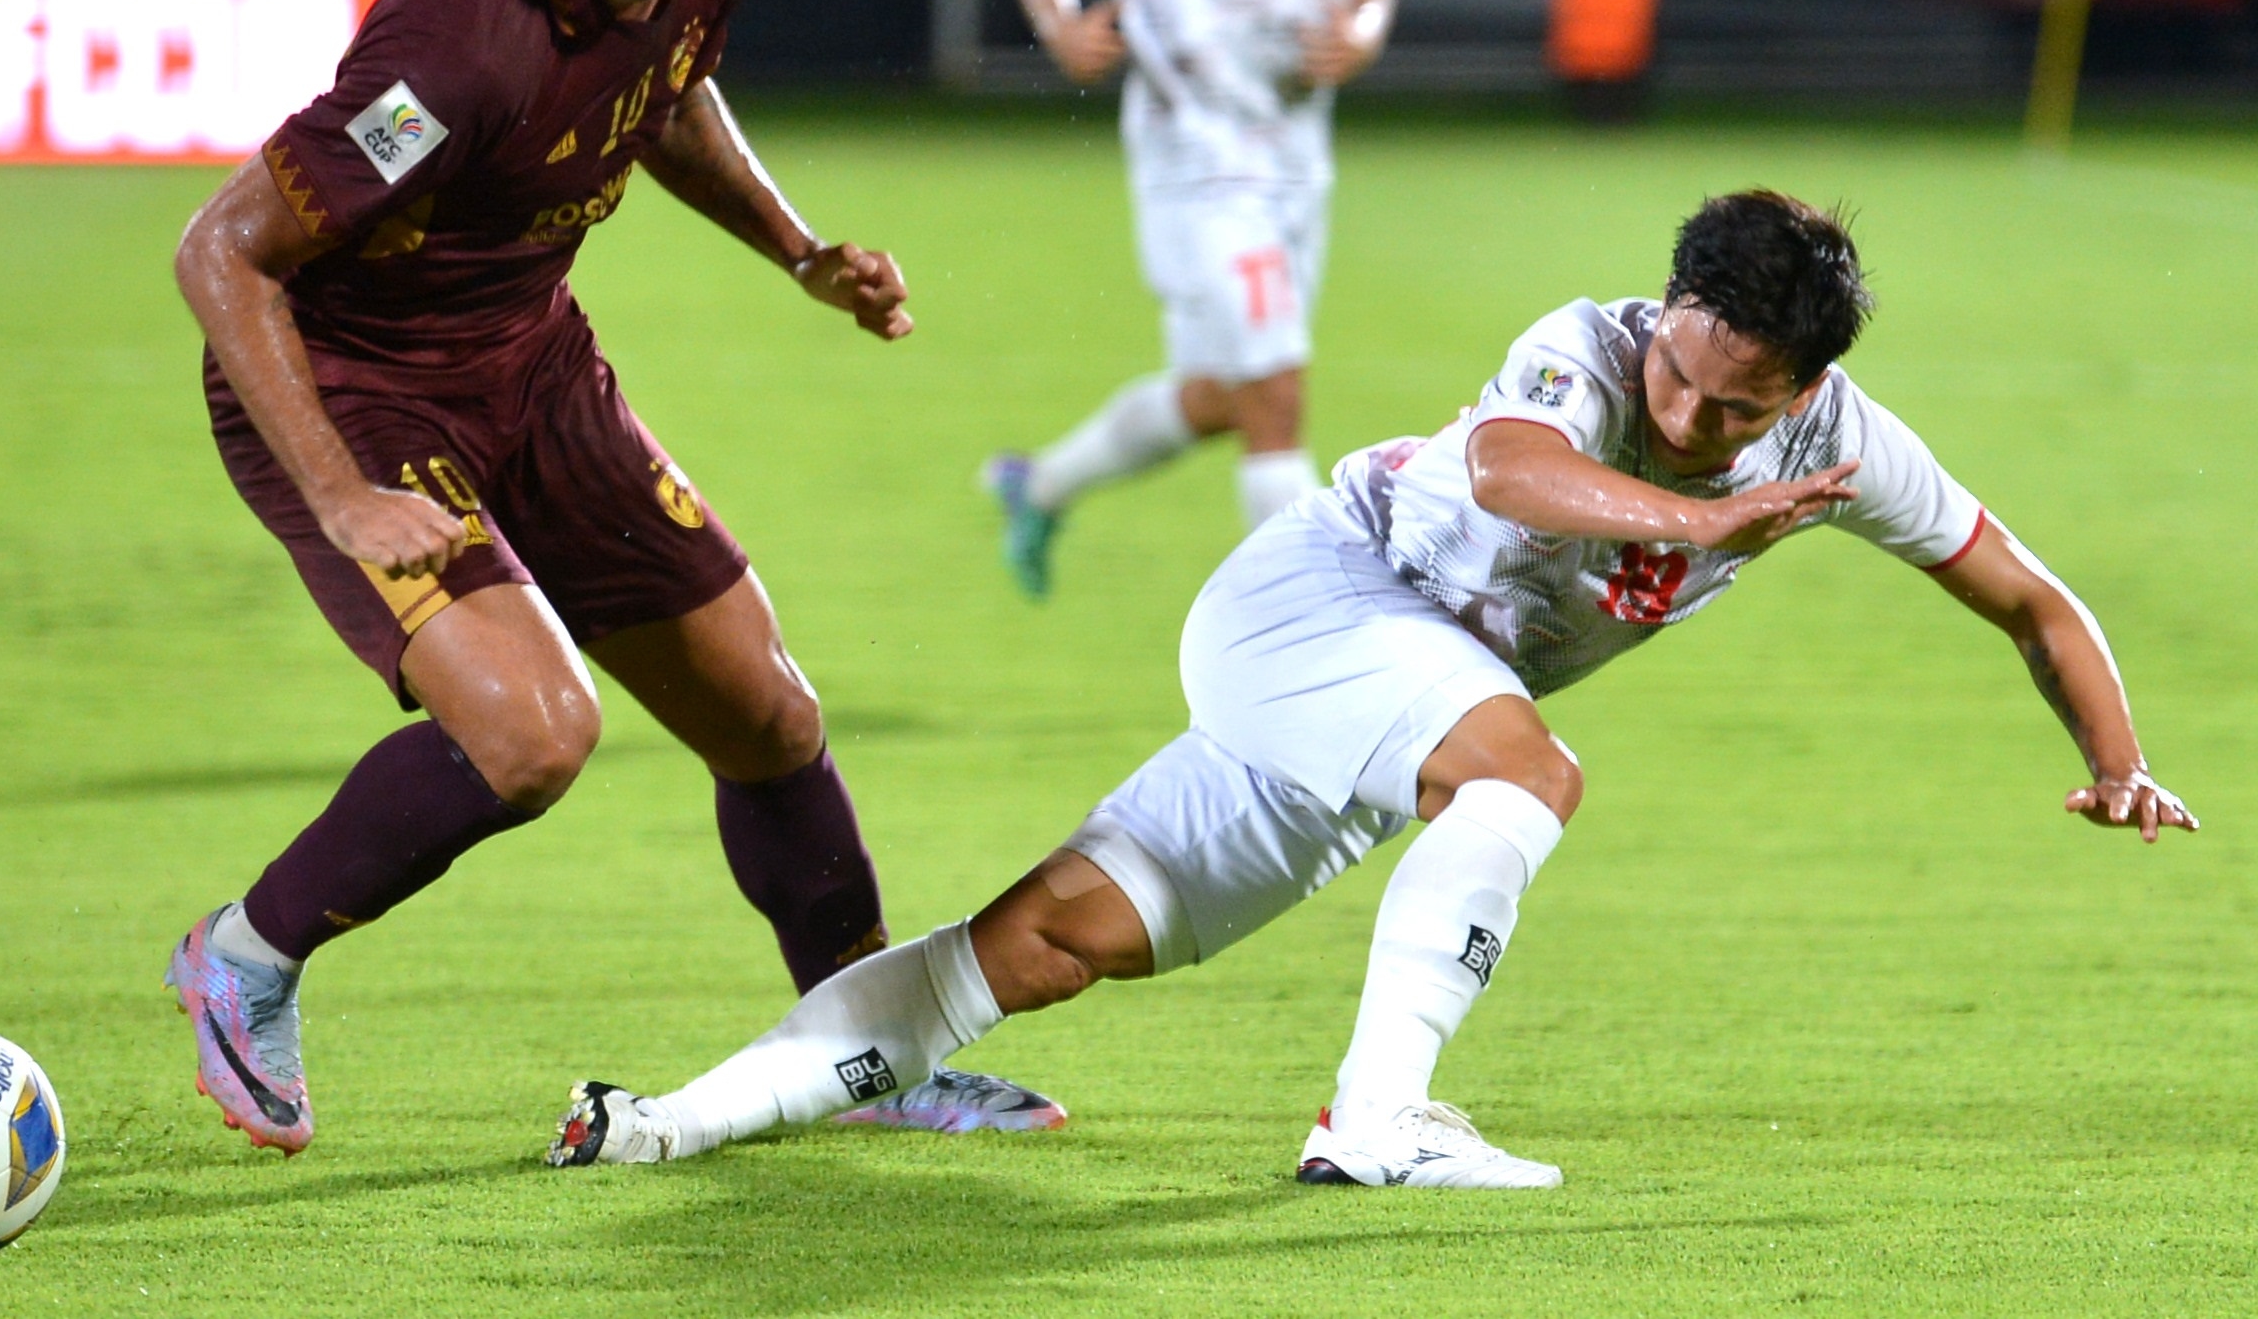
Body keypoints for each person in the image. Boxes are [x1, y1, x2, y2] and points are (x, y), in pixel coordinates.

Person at [547, 191, 2196, 1187]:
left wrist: (2114, 759)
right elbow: (1508, 464)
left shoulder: (1846, 444)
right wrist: (1698, 511)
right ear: (1661, 312)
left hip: (1376, 709)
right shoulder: (1585, 342)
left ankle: (653, 1124)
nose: (1690, 411)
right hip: (1328, 602)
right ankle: (1380, 1117)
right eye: (1678, 371)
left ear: (1808, 386)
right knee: (1523, 777)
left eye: (1735, 405)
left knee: (1039, 947)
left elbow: (2031, 599)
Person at [164, 0, 1057, 1154]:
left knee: (765, 709)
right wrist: (339, 495)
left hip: (534, 366)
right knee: (530, 734)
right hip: (360, 392)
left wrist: (799, 249)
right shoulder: (454, 51)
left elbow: (667, 91)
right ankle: (243, 956)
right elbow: (224, 253)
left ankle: (865, 1056)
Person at [985, 0, 1401, 596]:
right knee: (1279, 396)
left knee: (1227, 396)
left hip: (1297, 149)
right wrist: (1060, 27)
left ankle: (1041, 485)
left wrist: (1366, 33)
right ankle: (1319, 631)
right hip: (1195, 155)